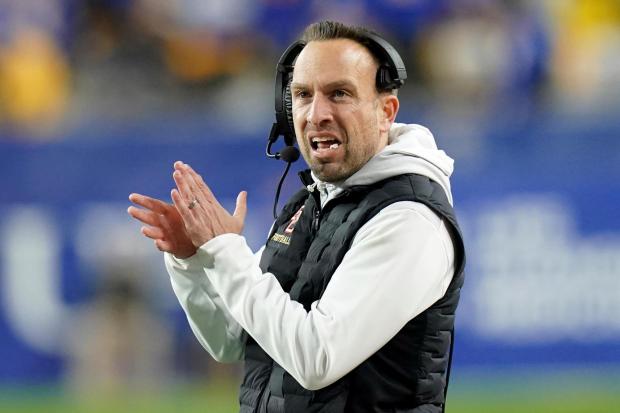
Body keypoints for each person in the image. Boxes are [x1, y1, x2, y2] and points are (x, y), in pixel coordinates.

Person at [128, 20, 465, 413]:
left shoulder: (410, 220)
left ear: (385, 112)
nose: (316, 113)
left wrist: (228, 253)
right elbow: (231, 338)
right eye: (303, 95)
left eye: (339, 93)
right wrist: (195, 262)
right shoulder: (308, 203)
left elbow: (316, 358)